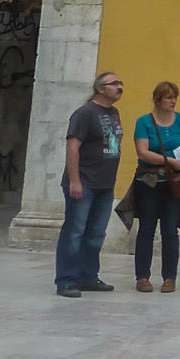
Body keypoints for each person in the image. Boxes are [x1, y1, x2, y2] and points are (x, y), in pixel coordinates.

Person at [55, 71, 125, 298]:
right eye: (114, 83)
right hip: (84, 182)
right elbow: (72, 147)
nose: (120, 87)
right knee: (74, 232)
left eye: (120, 83)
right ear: (100, 89)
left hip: (105, 184)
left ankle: (88, 277)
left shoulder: (114, 113)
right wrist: (75, 180)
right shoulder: (85, 113)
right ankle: (66, 280)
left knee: (96, 233)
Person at [130, 80, 180, 293]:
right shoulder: (144, 122)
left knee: (170, 231)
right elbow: (143, 152)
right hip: (148, 182)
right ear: (158, 100)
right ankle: (142, 277)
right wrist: (169, 162)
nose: (173, 101)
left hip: (173, 183)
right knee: (147, 229)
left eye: (174, 97)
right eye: (168, 97)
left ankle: (169, 278)